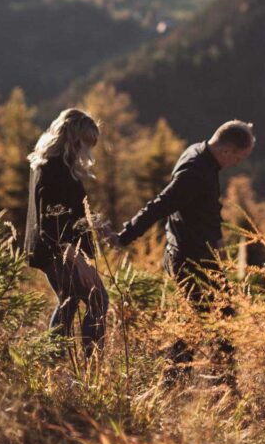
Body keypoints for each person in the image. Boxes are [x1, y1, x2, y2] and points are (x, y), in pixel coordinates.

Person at [110, 119, 256, 383]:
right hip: (189, 258)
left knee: (211, 318)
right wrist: (126, 235)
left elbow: (199, 211)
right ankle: (192, 383)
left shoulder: (199, 154)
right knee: (210, 321)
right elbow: (161, 204)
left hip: (200, 255)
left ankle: (195, 382)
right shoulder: (196, 171)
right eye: (239, 158)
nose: (238, 164)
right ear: (227, 151)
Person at [24, 107, 109, 357]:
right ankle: (90, 362)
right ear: (73, 140)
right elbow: (52, 225)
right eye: (87, 143)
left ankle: (55, 361)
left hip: (58, 252)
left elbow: (71, 209)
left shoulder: (58, 164)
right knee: (98, 300)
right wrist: (79, 262)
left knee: (69, 302)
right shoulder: (53, 169)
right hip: (59, 253)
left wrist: (97, 225)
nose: (89, 151)